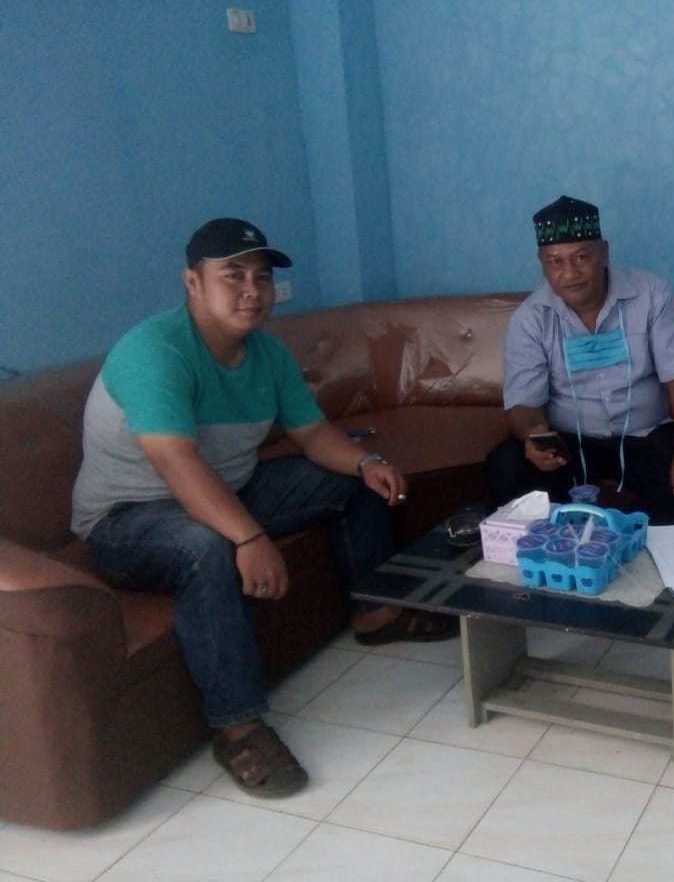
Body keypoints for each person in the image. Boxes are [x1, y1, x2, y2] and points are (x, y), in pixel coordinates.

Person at [70, 217, 458, 799]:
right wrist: (249, 538)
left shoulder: (268, 354)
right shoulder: (154, 351)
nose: (252, 291)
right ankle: (238, 728)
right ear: (193, 282)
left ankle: (376, 614)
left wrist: (364, 463)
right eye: (233, 276)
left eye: (262, 277)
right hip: (128, 519)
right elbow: (176, 463)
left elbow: (313, 435)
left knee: (351, 482)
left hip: (230, 488)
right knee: (207, 546)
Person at [484, 195, 674, 523]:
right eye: (555, 262)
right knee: (506, 466)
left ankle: (625, 536)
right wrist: (536, 436)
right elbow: (523, 401)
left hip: (644, 437)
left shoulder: (650, 294)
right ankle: (569, 540)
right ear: (542, 263)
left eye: (581, 257)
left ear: (604, 253)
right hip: (569, 443)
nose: (570, 273)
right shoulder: (530, 318)